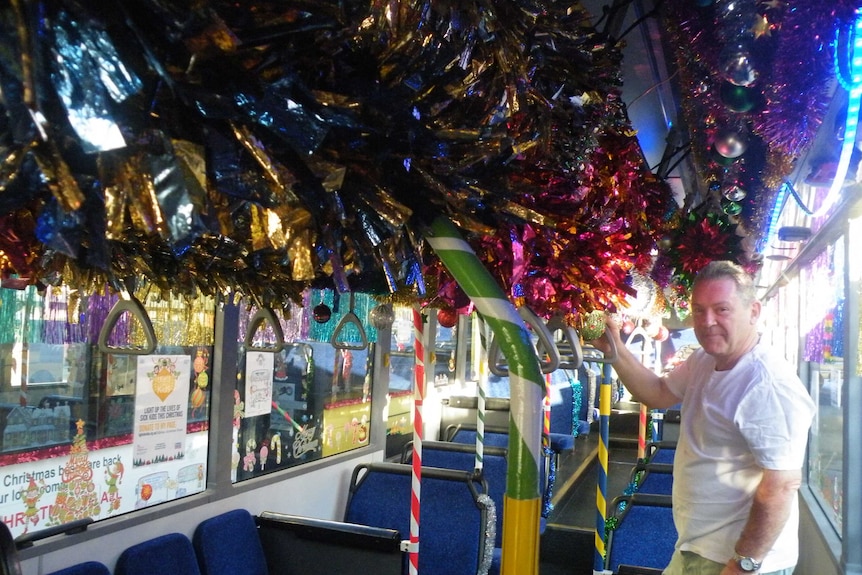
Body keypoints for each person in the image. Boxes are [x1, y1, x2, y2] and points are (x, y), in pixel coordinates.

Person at [589, 260, 815, 575]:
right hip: (699, 547)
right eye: (699, 310)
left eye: (722, 309)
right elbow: (657, 393)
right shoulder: (704, 360)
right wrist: (613, 350)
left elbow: (781, 486)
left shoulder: (768, 384)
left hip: (736, 560)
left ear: (754, 311)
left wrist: (744, 564)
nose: (707, 321)